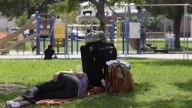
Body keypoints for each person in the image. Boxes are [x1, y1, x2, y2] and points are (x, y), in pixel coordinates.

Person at [3, 71, 88, 108]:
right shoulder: (87, 85)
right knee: (41, 97)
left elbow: (73, 73)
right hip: (72, 93)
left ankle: (14, 100)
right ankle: (17, 105)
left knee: (38, 88)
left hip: (70, 81)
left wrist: (60, 72)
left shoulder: (84, 74)